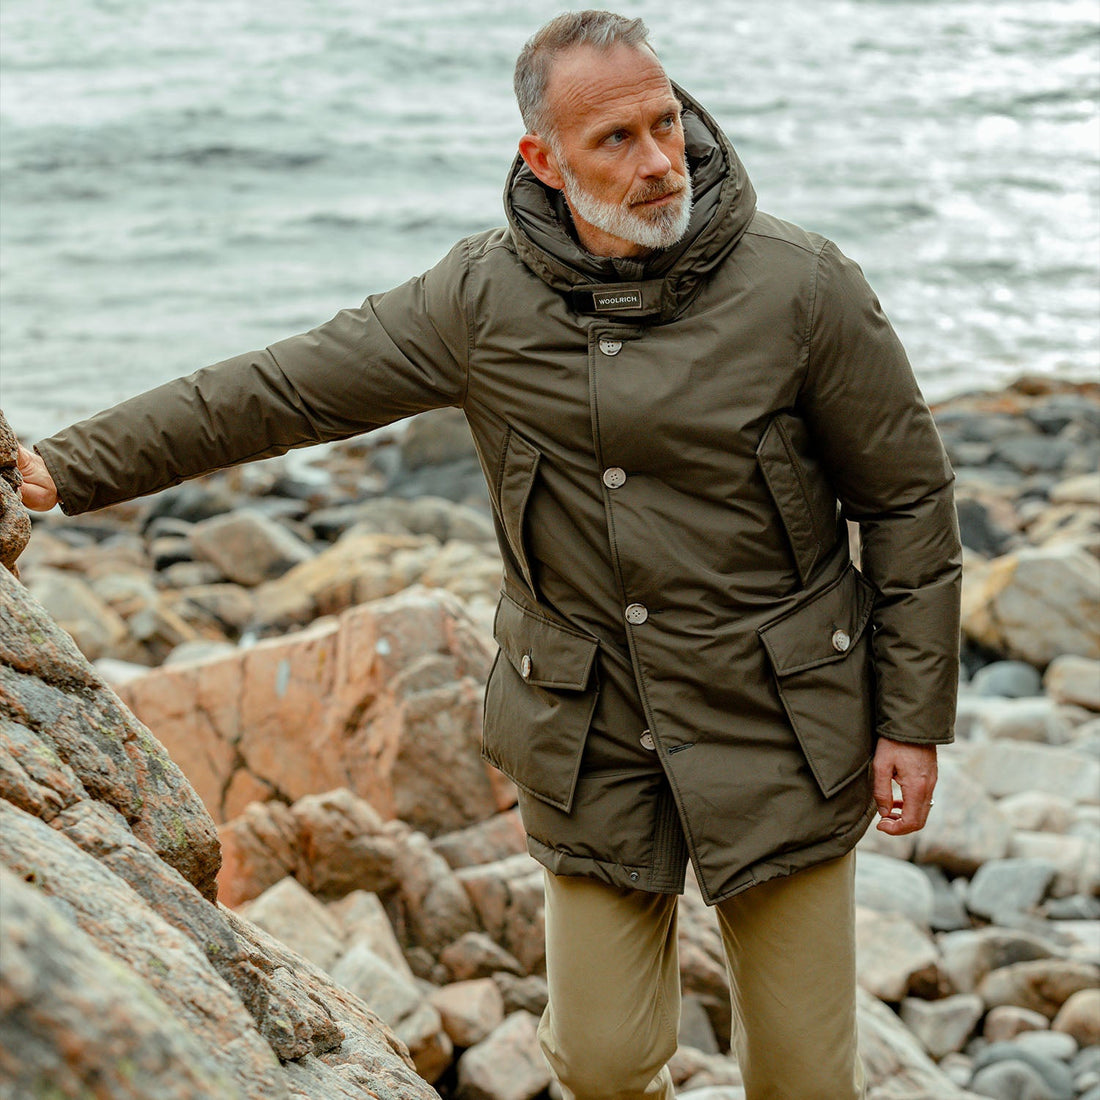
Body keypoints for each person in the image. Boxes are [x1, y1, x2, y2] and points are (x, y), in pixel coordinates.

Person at [17, 11, 961, 1099]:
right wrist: (64, 466)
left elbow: (905, 501)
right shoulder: (479, 300)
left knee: (803, 1077)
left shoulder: (800, 285)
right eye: (615, 141)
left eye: (666, 123)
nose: (658, 162)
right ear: (542, 160)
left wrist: (909, 717)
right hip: (589, 726)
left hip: (781, 718)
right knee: (603, 1062)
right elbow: (279, 390)